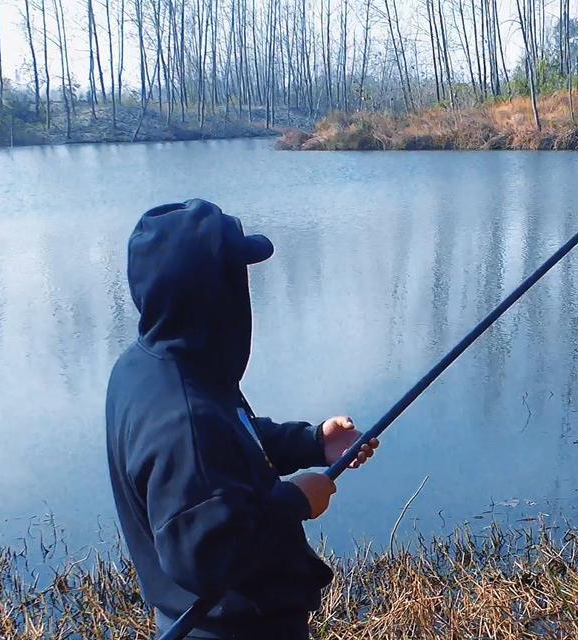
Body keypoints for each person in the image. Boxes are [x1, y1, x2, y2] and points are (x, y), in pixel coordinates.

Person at [105, 198, 376, 640]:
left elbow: (229, 443)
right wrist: (296, 502)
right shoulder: (182, 415)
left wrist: (312, 442)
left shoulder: (153, 367)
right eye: (237, 275)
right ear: (214, 293)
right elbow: (207, 554)